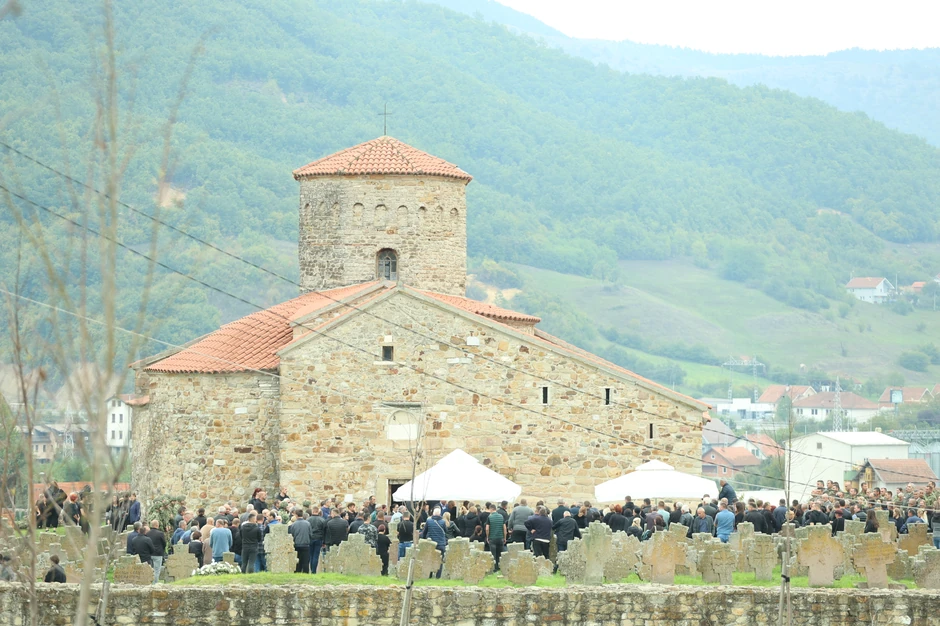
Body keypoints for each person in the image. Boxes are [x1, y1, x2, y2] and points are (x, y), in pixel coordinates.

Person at [419, 507, 448, 577]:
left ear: (433, 514)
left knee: (430, 559)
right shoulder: (443, 522)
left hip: (431, 544)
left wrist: (423, 538)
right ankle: (438, 576)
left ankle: (430, 575)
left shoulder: (429, 521)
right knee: (440, 560)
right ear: (440, 514)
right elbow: (446, 531)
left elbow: (424, 532)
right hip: (441, 544)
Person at [484, 503, 506, 572]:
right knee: (500, 554)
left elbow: (487, 528)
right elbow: (504, 528)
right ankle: (500, 567)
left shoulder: (490, 517)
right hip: (500, 537)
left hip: (492, 538)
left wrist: (487, 537)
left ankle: (494, 568)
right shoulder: (501, 516)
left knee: (493, 554)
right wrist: (504, 537)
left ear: (491, 509)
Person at [308, 505, 327, 574]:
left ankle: (311, 569)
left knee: (310, 555)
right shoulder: (322, 520)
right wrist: (324, 541)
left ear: (312, 511)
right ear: (318, 511)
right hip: (319, 538)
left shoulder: (308, 520)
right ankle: (314, 571)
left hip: (310, 538)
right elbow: (324, 531)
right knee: (316, 555)